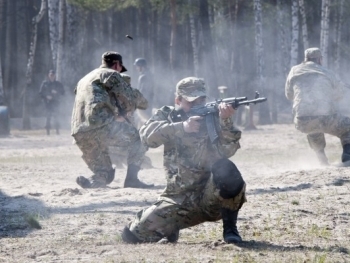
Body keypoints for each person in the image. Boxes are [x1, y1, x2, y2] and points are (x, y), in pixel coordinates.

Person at [121, 77, 246, 244]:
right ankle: (171, 227)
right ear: (178, 100)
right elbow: (146, 137)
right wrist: (181, 127)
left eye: (200, 100)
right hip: (177, 198)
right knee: (133, 235)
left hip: (210, 197)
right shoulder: (168, 115)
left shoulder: (214, 117)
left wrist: (226, 120)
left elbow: (227, 151)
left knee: (226, 169)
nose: (196, 105)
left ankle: (230, 229)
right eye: (190, 101)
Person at [72, 51, 154, 189]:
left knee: (106, 172)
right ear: (116, 64)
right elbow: (129, 97)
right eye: (120, 66)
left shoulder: (85, 78)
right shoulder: (111, 74)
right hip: (101, 126)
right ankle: (132, 179)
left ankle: (95, 182)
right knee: (140, 139)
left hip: (80, 132)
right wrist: (143, 103)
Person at [285, 47, 350, 166]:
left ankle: (321, 159)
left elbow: (289, 95)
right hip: (326, 117)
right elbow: (339, 94)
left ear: (305, 59)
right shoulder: (326, 72)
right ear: (320, 59)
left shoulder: (294, 71)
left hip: (302, 119)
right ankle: (348, 154)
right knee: (347, 127)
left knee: (313, 128)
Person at [39, 69, 65, 135]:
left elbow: (63, 92)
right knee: (48, 116)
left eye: (53, 75)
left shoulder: (58, 84)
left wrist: (57, 92)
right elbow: (41, 93)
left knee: (56, 116)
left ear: (55, 76)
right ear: (48, 75)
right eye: (50, 75)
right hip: (47, 103)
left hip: (56, 102)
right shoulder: (45, 84)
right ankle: (48, 132)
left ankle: (57, 131)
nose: (52, 76)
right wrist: (46, 96)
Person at [134, 58, 155, 126]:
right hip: (148, 102)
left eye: (137, 66)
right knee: (145, 120)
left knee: (144, 120)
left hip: (143, 103)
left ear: (141, 66)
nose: (136, 68)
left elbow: (142, 91)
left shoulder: (143, 77)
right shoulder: (150, 74)